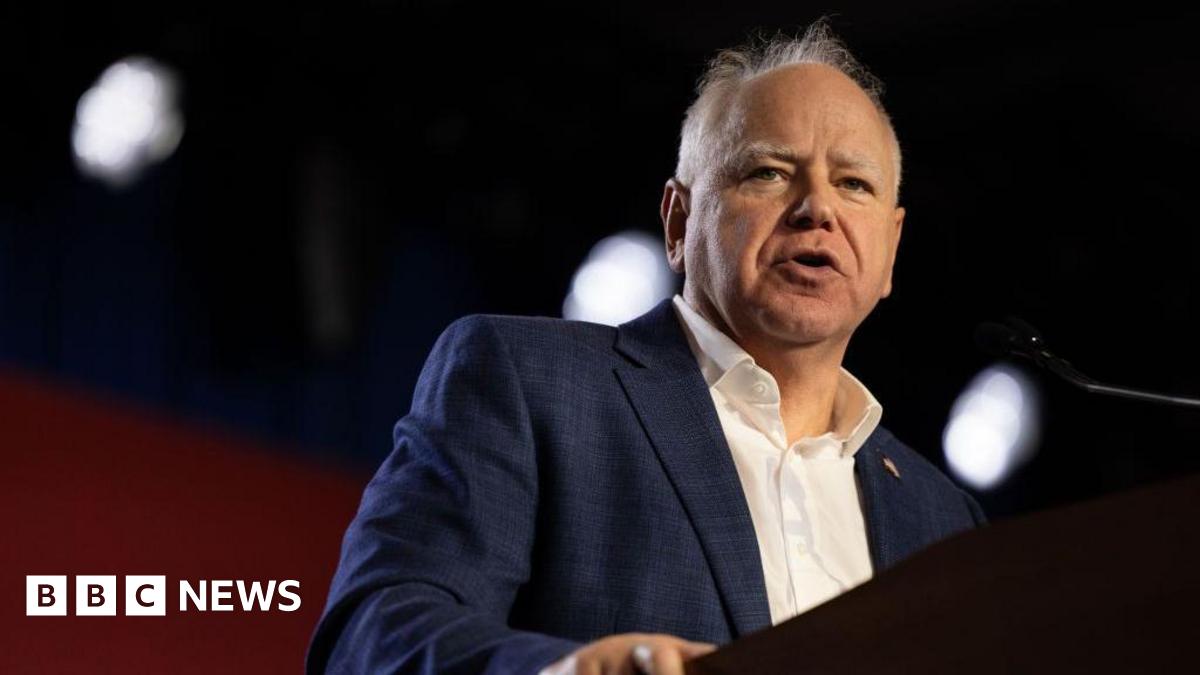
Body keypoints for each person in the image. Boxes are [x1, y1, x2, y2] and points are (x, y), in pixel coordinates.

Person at [307, 20, 985, 675]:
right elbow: (371, 635)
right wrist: (562, 671)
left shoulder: (942, 515)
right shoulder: (528, 381)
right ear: (678, 221)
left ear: (891, 249)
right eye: (770, 172)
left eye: (854, 184)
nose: (818, 208)